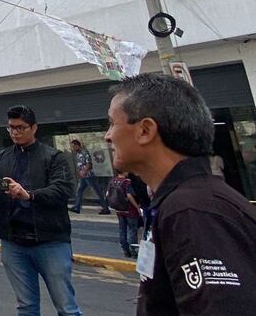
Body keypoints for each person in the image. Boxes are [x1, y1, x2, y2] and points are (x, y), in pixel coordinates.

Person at [104, 73, 256, 314]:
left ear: (145, 130)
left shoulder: (191, 211)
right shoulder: (181, 202)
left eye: (113, 123)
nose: (107, 136)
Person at [0, 105, 80, 316]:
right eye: (11, 128)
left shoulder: (54, 157)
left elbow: (63, 190)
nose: (15, 132)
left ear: (34, 128)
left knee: (66, 307)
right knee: (26, 307)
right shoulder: (0, 158)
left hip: (50, 241)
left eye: (20, 127)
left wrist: (29, 195)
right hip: (13, 242)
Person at [69, 139, 109, 215]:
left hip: (89, 175)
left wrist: (84, 171)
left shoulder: (84, 152)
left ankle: (105, 208)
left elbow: (89, 164)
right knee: (79, 191)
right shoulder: (78, 154)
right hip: (83, 177)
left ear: (77, 145)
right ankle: (77, 207)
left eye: (73, 146)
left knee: (97, 191)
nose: (73, 148)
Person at [105, 170, 140, 258]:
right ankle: (133, 250)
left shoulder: (112, 181)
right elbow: (129, 195)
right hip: (129, 209)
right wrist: (137, 207)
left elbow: (107, 194)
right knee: (132, 230)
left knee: (122, 229)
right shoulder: (126, 182)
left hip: (119, 210)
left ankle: (125, 250)